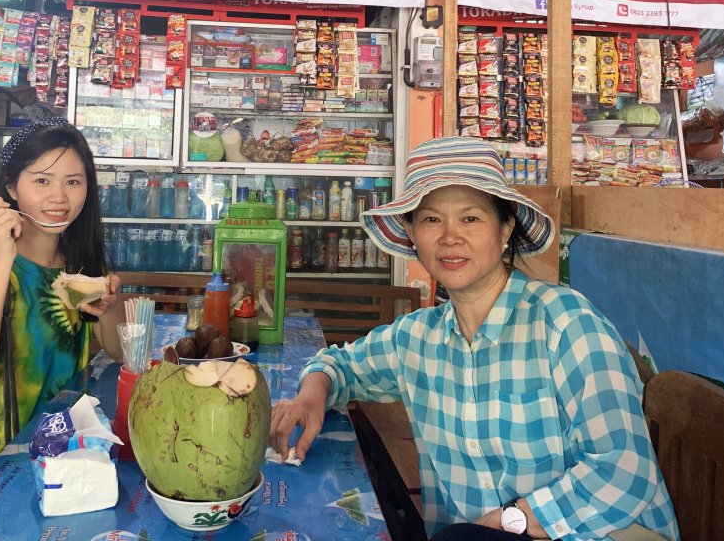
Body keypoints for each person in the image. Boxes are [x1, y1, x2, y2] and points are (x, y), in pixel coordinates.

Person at [270, 137, 679, 541]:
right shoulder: (417, 338)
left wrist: (510, 521)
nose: (450, 237)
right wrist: (311, 395)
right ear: (412, 234)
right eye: (431, 219)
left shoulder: (564, 323)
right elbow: (340, 365)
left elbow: (626, 469)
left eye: (470, 218)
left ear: (505, 230)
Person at [0, 118, 122, 472]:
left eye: (73, 182)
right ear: (12, 187)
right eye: (41, 180)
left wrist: (108, 308)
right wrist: (1, 260)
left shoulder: (75, 268)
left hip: (58, 459)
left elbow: (120, 352)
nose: (59, 197)